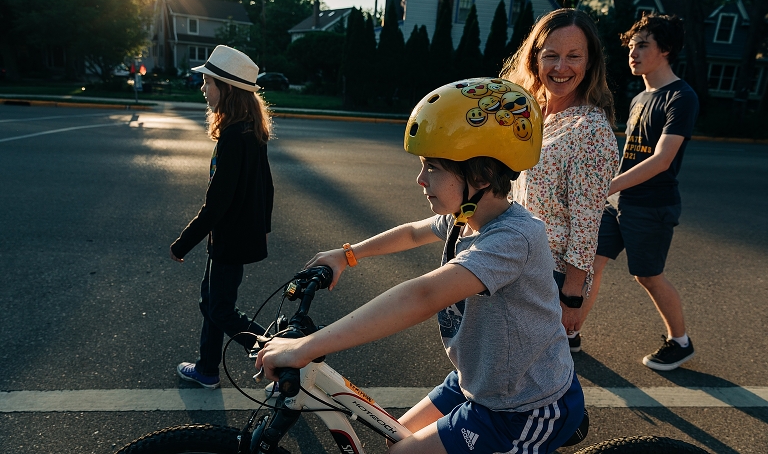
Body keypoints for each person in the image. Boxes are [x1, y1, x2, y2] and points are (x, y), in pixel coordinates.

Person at [256, 77, 585, 454]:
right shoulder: (466, 217)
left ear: (478, 174)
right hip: (477, 381)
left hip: (522, 405)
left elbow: (424, 295)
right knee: (393, 433)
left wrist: (306, 347)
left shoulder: (513, 239)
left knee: (402, 453)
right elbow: (413, 233)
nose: (420, 178)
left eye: (433, 168)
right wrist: (347, 255)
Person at [582, 14, 699, 371]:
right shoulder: (639, 98)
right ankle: (567, 330)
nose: (633, 51)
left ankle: (680, 342)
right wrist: (608, 188)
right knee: (588, 263)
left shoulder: (681, 97)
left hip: (652, 204)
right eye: (632, 44)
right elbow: (631, 154)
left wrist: (608, 186)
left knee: (647, 275)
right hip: (619, 201)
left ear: (665, 50)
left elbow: (662, 160)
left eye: (643, 44)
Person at [502, 8, 619, 353]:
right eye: (550, 55)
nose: (560, 67)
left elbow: (586, 227)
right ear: (535, 59)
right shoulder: (531, 112)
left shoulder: (591, 131)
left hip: (547, 278)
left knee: (519, 379)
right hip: (511, 261)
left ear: (590, 62)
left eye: (573, 56)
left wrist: (571, 297)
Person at [171, 45, 274, 389]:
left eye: (208, 82)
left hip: (229, 239)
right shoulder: (249, 131)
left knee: (221, 310)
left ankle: (283, 354)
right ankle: (207, 368)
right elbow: (267, 186)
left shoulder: (234, 137)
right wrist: (264, 227)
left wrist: (183, 242)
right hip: (235, 236)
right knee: (211, 302)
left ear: (226, 89)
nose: (203, 88)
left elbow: (216, 204)